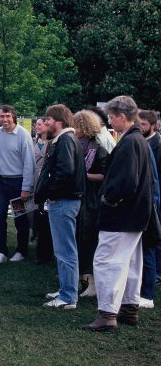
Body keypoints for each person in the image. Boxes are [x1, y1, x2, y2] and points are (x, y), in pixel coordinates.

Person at [82, 96, 155, 331]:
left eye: (112, 117)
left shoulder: (130, 142)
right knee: (131, 262)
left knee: (107, 261)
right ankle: (128, 308)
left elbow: (125, 182)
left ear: (122, 117)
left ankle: (107, 314)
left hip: (121, 216)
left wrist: (108, 199)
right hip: (136, 215)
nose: (110, 122)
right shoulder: (139, 140)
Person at [35, 104, 86, 310]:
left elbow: (64, 171)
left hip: (63, 202)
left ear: (58, 121)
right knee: (64, 250)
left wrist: (53, 195)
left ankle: (67, 296)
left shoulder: (65, 139)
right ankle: (66, 289)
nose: (45, 123)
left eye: (48, 119)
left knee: (65, 250)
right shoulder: (65, 139)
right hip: (64, 201)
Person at [0, 104, 35, 263]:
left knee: (20, 218)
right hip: (1, 182)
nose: (5, 119)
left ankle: (21, 251)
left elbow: (29, 163)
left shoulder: (23, 135)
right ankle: (1, 251)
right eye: (2, 116)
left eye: (7, 116)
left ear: (13, 117)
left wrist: (26, 188)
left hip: (18, 183)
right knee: (0, 216)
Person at [73, 110, 109, 298]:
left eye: (76, 125)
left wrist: (83, 176)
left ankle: (91, 281)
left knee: (88, 240)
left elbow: (104, 175)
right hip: (78, 198)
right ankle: (78, 277)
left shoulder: (99, 148)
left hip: (91, 200)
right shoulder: (76, 144)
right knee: (77, 239)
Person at [138, 109, 160, 308]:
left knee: (149, 249)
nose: (140, 127)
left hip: (152, 202)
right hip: (145, 201)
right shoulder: (142, 143)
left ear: (153, 125)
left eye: (143, 124)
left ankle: (147, 294)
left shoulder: (156, 145)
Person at [32, 117, 53, 265]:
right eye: (36, 124)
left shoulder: (53, 143)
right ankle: (35, 237)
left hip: (46, 181)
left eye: (41, 124)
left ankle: (45, 249)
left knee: (44, 215)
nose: (38, 126)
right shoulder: (32, 141)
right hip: (33, 179)